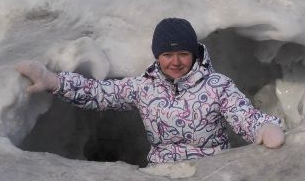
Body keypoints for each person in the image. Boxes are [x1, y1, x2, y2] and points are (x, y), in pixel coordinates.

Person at [16, 18, 286, 164]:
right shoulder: (144, 87)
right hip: (161, 179)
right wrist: (55, 82)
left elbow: (244, 115)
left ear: (194, 54)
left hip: (210, 174)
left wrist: (263, 128)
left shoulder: (217, 86)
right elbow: (99, 93)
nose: (176, 62)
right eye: (168, 54)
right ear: (158, 56)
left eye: (183, 53)